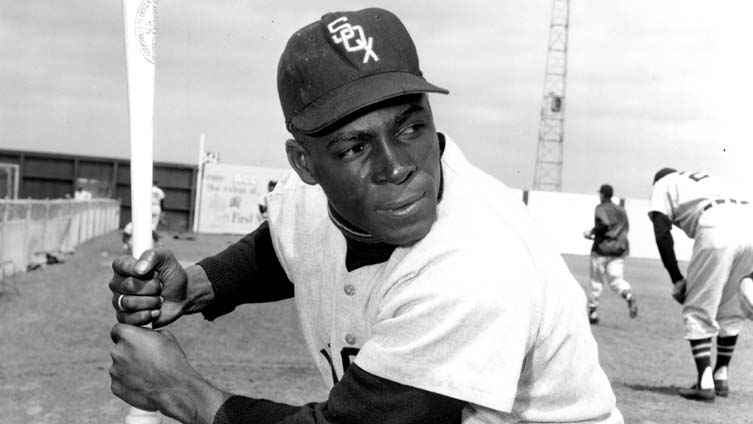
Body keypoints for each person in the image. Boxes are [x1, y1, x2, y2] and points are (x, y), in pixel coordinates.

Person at [108, 8, 623, 424]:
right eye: (354, 147)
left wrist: (180, 391)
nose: (398, 167)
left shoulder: (475, 266)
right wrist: (198, 285)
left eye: (409, 127)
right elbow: (285, 245)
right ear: (305, 164)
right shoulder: (307, 199)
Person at [649, 167, 753, 402]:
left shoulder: (663, 183)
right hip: (749, 223)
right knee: (731, 307)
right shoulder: (707, 180)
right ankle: (721, 376)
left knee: (698, 307)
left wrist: (676, 278)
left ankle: (704, 382)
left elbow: (661, 232)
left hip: (717, 225)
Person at [582, 184, 637, 324]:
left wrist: (592, 233)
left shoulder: (600, 208)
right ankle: (628, 295)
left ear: (602, 195)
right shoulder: (621, 210)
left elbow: (604, 224)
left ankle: (593, 312)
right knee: (616, 280)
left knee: (596, 282)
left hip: (601, 250)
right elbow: (626, 228)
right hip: (618, 250)